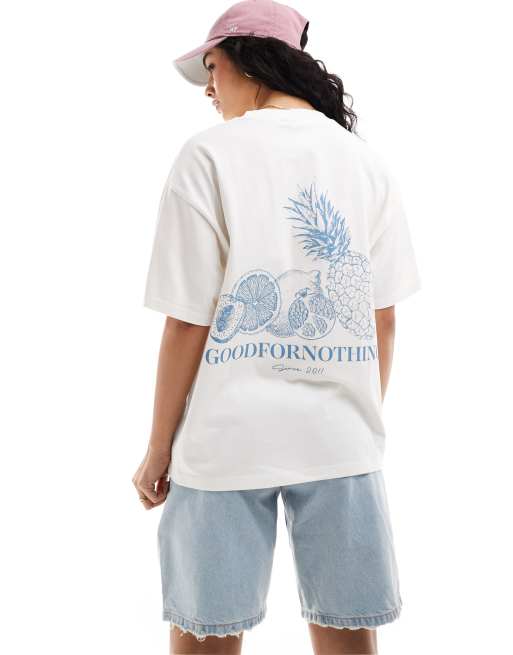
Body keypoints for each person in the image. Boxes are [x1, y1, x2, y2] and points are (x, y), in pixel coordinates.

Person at [132, 1, 422, 653]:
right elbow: (383, 318)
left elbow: (188, 321)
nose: (208, 89)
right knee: (348, 634)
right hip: (340, 441)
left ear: (247, 60)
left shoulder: (208, 155)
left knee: (206, 634)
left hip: (225, 440)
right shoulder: (362, 161)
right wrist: (359, 416)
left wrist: (157, 448)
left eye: (211, 68)